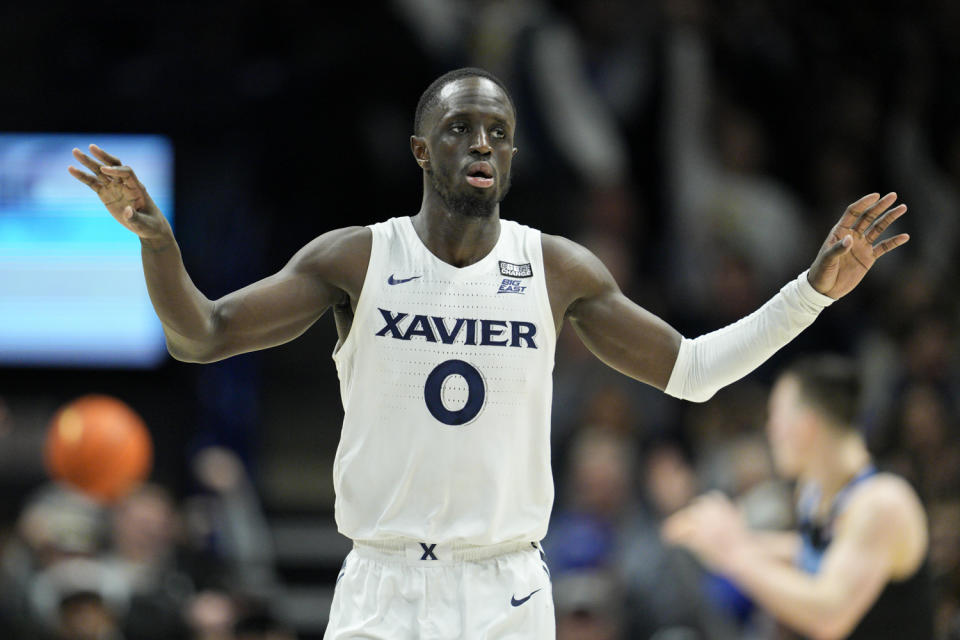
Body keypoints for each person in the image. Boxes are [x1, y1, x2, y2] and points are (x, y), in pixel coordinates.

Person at [68, 67, 910, 639]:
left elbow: (694, 373)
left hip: (503, 589)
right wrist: (155, 241)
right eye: (460, 128)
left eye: (498, 132)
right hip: (381, 584)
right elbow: (202, 333)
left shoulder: (555, 268)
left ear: (511, 155)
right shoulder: (357, 259)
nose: (481, 144)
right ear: (420, 150)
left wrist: (814, 289)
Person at [663, 355, 933, 639]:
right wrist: (732, 540)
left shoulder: (882, 503)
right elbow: (817, 554)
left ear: (807, 425)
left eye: (775, 416)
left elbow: (829, 615)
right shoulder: (814, 493)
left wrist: (735, 552)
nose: (769, 430)